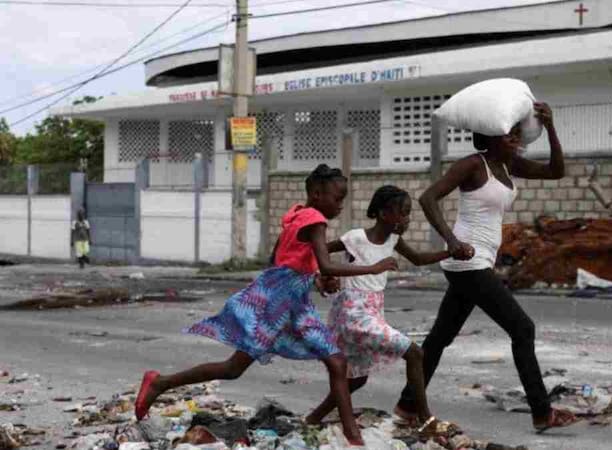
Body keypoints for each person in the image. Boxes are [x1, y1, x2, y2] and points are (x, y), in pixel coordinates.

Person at [133, 164, 398, 446]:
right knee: (327, 362)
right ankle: (353, 438)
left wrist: (315, 281)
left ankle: (160, 382)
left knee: (251, 367)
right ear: (317, 194)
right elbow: (325, 263)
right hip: (280, 308)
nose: (340, 205)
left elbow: (284, 261)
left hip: (286, 304)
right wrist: (373, 267)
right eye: (337, 198)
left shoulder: (296, 214)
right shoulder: (315, 219)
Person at [394, 103, 579, 433]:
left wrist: (551, 126)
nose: (516, 138)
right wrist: (451, 240)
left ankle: (407, 406)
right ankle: (542, 412)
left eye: (517, 133)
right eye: (508, 134)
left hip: (475, 262)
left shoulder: (509, 165)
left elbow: (556, 171)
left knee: (439, 338)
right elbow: (428, 198)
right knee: (522, 328)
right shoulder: (472, 165)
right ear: (491, 137)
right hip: (468, 261)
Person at [305, 185, 456, 436]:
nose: (407, 219)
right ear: (384, 214)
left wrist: (450, 252)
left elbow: (418, 259)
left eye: (408, 213)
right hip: (352, 313)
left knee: (357, 379)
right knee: (414, 353)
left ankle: (313, 418)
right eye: (403, 213)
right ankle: (425, 420)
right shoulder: (355, 238)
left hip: (373, 311)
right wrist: (319, 277)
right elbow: (318, 252)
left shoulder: (394, 239)